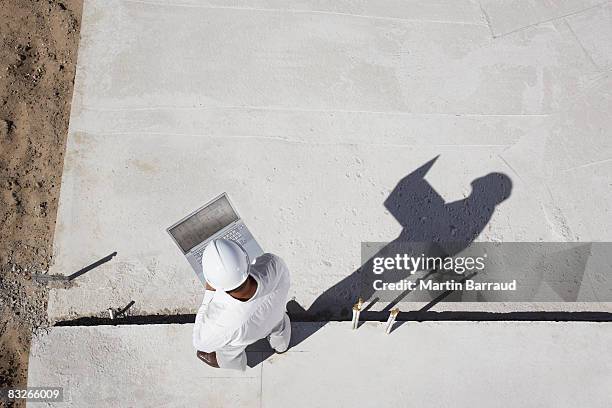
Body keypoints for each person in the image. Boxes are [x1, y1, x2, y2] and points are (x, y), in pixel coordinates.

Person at [193, 239, 291, 370]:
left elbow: (200, 343)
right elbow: (267, 265)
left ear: (212, 282)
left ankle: (238, 364)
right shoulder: (273, 262)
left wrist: (209, 293)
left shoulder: (220, 324)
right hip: (276, 316)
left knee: (227, 351)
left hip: (245, 336)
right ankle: (281, 345)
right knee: (279, 325)